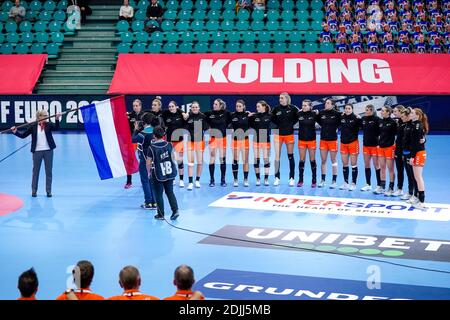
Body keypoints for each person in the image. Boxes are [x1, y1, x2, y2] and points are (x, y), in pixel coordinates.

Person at [11, 110, 62, 197]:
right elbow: (23, 136)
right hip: (37, 152)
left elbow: (56, 128)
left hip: (48, 151)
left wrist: (57, 119)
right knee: (35, 172)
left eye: (47, 115)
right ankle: (34, 191)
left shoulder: (48, 125)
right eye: (44, 115)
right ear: (39, 117)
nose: (46, 117)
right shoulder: (33, 126)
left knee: (48, 172)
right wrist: (15, 131)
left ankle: (48, 191)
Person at [146, 126, 179, 221]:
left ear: (154, 136)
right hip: (170, 172)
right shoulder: (169, 144)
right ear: (163, 135)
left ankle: (161, 214)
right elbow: (174, 157)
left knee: (159, 194)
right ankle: (175, 210)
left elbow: (148, 162)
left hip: (158, 174)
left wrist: (149, 172)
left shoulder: (152, 147)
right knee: (170, 192)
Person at [271, 92, 299, 186]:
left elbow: (299, 117)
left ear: (287, 99)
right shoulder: (275, 109)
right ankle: (277, 178)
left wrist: (290, 124)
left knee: (290, 156)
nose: (280, 100)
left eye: (282, 98)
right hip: (278, 135)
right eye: (279, 98)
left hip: (289, 135)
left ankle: (291, 178)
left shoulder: (293, 108)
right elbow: (272, 119)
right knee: (277, 157)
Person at [132, 112, 156, 210]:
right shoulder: (155, 131)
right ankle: (154, 202)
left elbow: (133, 139)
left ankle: (148, 202)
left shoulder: (143, 134)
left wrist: (135, 130)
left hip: (145, 160)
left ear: (144, 122)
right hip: (154, 159)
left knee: (145, 180)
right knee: (152, 180)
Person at [405, 108, 428, 208]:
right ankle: (418, 198)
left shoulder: (417, 126)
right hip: (417, 152)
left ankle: (422, 202)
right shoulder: (415, 125)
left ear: (417, 115)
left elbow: (416, 143)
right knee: (416, 177)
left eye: (413, 113)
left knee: (418, 177)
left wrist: (412, 156)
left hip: (418, 153)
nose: (411, 114)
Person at [205, 99, 231, 187]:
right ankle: (212, 180)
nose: (214, 105)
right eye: (213, 104)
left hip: (223, 139)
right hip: (213, 139)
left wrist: (247, 113)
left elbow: (236, 116)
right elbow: (198, 116)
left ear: (220, 105)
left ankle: (223, 180)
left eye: (216, 104)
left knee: (222, 159)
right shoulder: (209, 113)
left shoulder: (226, 113)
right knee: (212, 158)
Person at [316, 99, 341, 188]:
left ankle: (334, 181)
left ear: (333, 105)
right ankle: (323, 180)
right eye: (325, 103)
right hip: (323, 140)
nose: (326, 104)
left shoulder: (337, 114)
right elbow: (319, 121)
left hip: (333, 141)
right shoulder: (321, 113)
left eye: (328, 103)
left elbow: (343, 120)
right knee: (323, 161)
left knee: (333, 161)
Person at [162, 101, 187, 187]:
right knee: (170, 160)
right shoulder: (166, 114)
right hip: (169, 141)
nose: (171, 108)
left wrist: (182, 112)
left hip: (180, 141)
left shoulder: (180, 115)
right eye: (169, 106)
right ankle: (172, 178)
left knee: (180, 161)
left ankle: (181, 180)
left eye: (172, 106)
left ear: (176, 107)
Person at [185, 101, 208, 190]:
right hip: (190, 142)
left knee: (199, 162)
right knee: (190, 163)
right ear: (191, 108)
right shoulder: (188, 116)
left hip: (199, 142)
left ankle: (197, 180)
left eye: (196, 107)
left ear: (199, 108)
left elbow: (206, 128)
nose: (194, 108)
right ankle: (190, 182)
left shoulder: (203, 117)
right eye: (193, 107)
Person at [296, 99, 319, 188]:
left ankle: (314, 180)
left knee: (312, 160)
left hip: (311, 140)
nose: (303, 107)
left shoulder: (314, 114)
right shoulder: (299, 114)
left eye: (305, 105)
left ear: (310, 107)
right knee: (302, 160)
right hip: (301, 140)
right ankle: (300, 180)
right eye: (302, 105)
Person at [249, 100, 272, 186]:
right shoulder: (254, 116)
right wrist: (248, 116)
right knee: (256, 160)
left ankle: (266, 179)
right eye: (256, 106)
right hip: (256, 140)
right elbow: (247, 124)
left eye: (258, 106)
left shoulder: (270, 116)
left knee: (266, 160)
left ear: (264, 107)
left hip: (266, 140)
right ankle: (258, 178)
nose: (257, 108)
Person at [339, 103, 362, 191]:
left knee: (353, 164)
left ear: (352, 109)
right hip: (343, 143)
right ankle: (345, 182)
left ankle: (353, 183)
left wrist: (359, 119)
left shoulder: (356, 118)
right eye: (346, 108)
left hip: (353, 143)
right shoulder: (342, 117)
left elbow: (364, 127)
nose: (347, 110)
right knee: (345, 164)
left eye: (349, 108)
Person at [377, 106, 398, 196]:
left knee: (390, 168)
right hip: (381, 148)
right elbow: (379, 134)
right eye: (381, 111)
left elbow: (398, 135)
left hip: (389, 148)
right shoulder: (380, 122)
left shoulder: (393, 123)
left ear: (388, 112)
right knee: (382, 167)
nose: (381, 112)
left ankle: (391, 188)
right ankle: (382, 186)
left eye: (382, 111)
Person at [125, 99, 145, 189]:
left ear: (140, 106)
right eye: (134, 106)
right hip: (132, 140)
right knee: (129, 160)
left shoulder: (145, 115)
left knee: (143, 160)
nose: (135, 107)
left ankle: (144, 180)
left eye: (137, 105)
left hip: (141, 140)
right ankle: (129, 181)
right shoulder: (129, 115)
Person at [360, 104, 381, 192]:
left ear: (372, 111)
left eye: (368, 110)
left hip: (375, 146)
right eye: (366, 109)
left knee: (376, 165)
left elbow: (381, 132)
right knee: (367, 165)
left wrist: (379, 144)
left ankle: (379, 185)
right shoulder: (363, 119)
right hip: (366, 146)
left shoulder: (377, 120)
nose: (366, 111)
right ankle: (368, 184)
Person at [230, 100, 250, 187]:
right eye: (237, 106)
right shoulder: (232, 115)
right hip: (235, 141)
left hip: (245, 140)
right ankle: (235, 179)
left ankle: (245, 179)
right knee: (235, 160)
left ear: (243, 107)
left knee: (245, 160)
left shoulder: (248, 115)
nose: (238, 108)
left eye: (239, 106)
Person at [392, 105, 406, 196]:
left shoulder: (407, 122)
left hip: (406, 151)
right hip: (398, 149)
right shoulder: (397, 122)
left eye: (395, 111)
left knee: (410, 172)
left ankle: (411, 192)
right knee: (399, 170)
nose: (394, 113)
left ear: (401, 112)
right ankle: (399, 189)